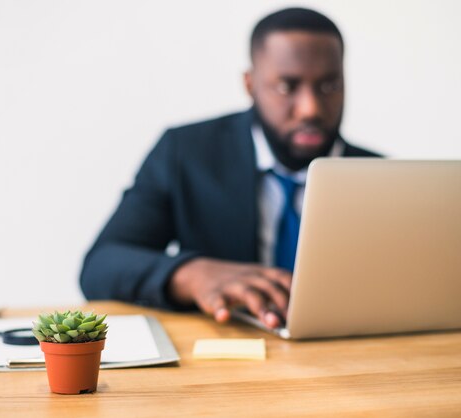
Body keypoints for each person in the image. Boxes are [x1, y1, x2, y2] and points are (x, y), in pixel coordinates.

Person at [80, 7, 380, 329]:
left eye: (329, 86)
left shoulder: (384, 179)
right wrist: (192, 274)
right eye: (286, 87)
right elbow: (100, 266)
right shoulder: (185, 152)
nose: (311, 108)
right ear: (250, 84)